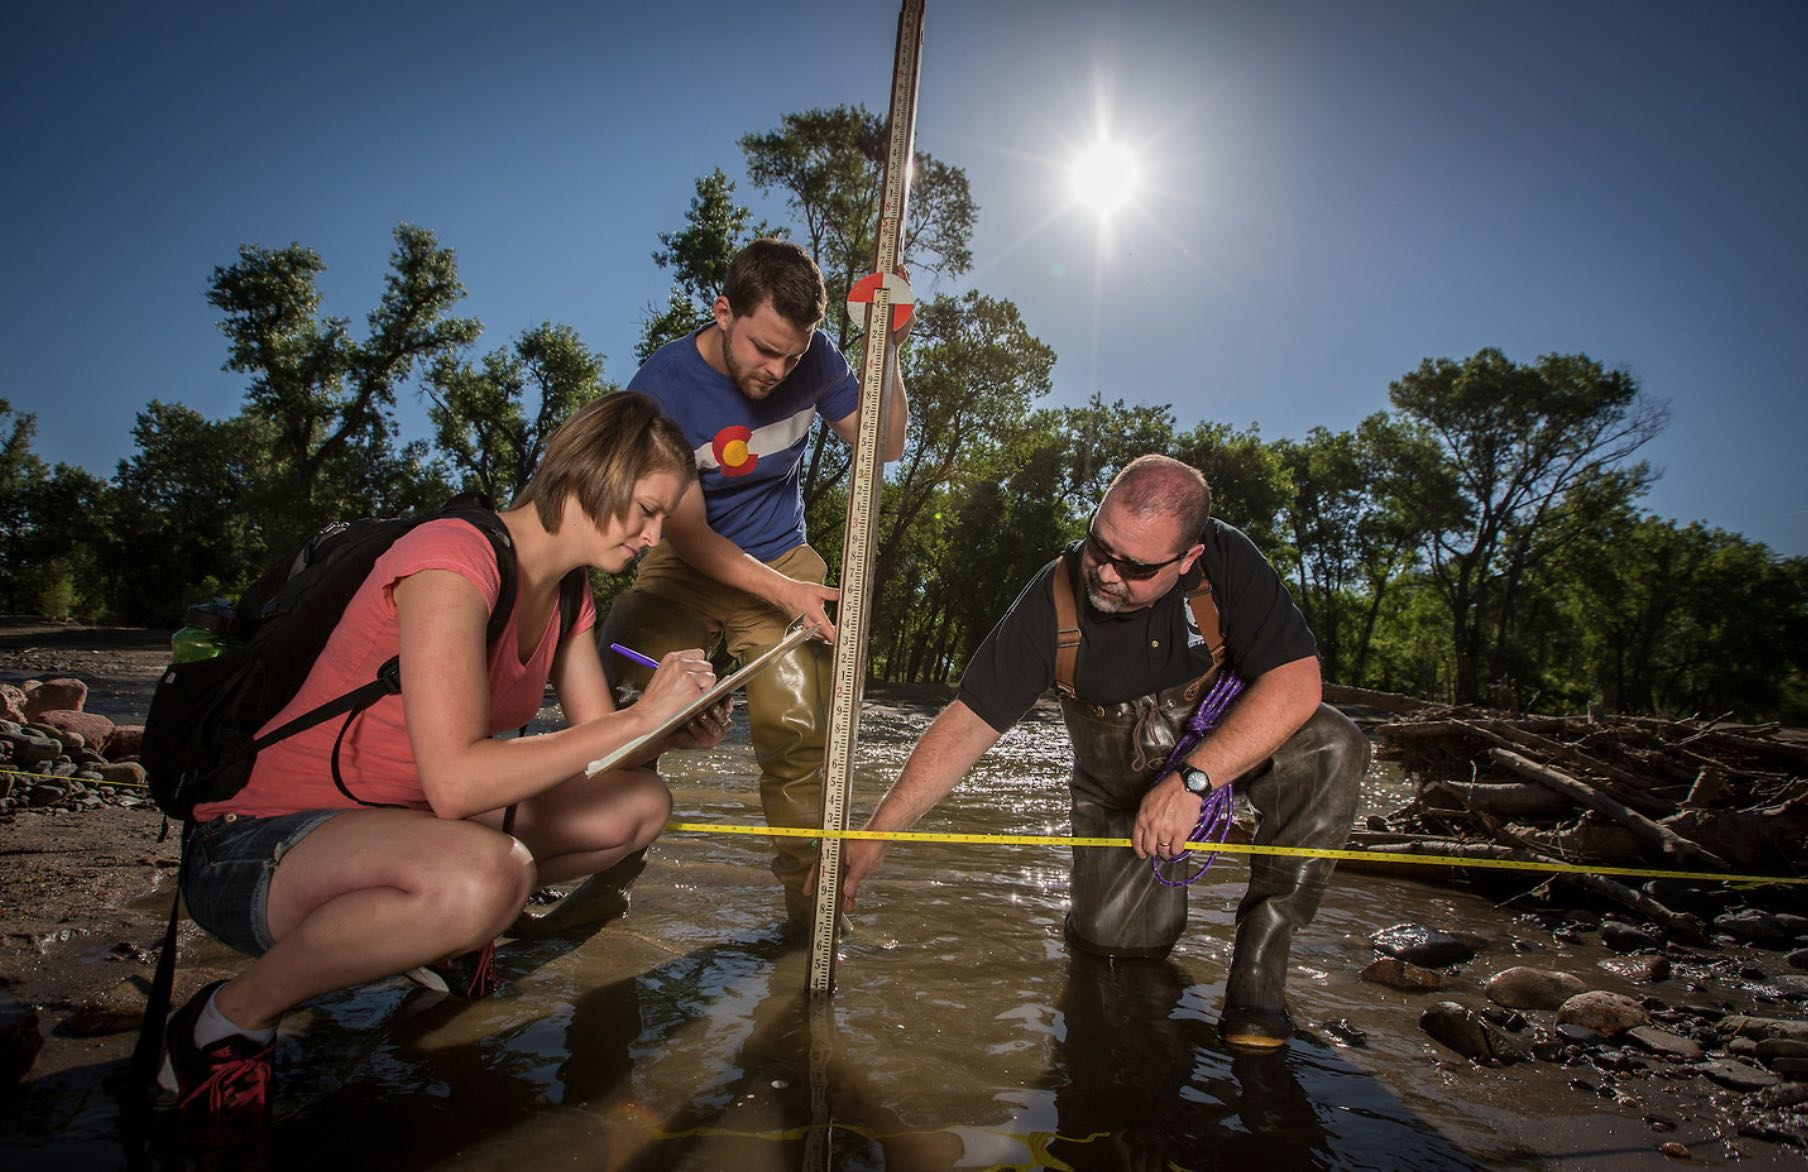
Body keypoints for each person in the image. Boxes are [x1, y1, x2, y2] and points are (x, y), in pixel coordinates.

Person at [161, 392, 733, 1136]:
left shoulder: (570, 593)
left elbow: (607, 751)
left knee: (640, 803)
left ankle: (444, 940)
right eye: (647, 511)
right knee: (491, 877)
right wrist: (637, 717)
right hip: (252, 844)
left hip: (393, 822)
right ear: (590, 473)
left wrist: (668, 730)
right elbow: (458, 780)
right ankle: (226, 1019)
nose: (656, 538)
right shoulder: (452, 557)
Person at [833, 454, 1366, 1050]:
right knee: (1113, 960)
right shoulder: (1052, 596)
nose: (1108, 574)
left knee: (1333, 743)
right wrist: (878, 834)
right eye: (1100, 547)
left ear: (1189, 558)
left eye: (1136, 567)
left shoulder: (1228, 561)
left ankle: (1259, 974)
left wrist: (1194, 781)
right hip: (1116, 796)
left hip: (1215, 761)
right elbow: (968, 723)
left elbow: (1296, 684)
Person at [599, 237, 909, 929]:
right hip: (687, 564)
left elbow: (883, 444)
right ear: (722, 311)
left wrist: (886, 349)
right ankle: (597, 888)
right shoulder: (661, 387)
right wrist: (786, 595)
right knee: (624, 703)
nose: (777, 370)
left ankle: (810, 916)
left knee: (797, 727)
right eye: (763, 350)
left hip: (785, 555)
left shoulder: (817, 358)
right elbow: (689, 535)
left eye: (792, 356)